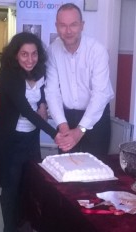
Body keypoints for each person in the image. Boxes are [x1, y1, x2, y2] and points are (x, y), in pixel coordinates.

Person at [0, 32, 64, 232]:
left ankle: (25, 227)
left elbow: (42, 98)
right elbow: (25, 110)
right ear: (15, 56)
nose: (30, 59)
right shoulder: (9, 76)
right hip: (10, 142)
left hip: (30, 140)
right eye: (24, 54)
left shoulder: (40, 72)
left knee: (29, 184)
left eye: (34, 54)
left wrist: (44, 104)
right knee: (10, 190)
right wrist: (55, 133)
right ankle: (10, 230)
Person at [45, 3, 114, 157]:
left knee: (95, 170)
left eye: (73, 25)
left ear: (82, 26)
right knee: (66, 169)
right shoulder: (52, 51)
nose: (68, 31)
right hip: (66, 118)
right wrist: (63, 127)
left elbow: (100, 94)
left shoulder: (97, 51)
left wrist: (80, 130)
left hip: (96, 117)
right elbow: (52, 92)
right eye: (63, 25)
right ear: (56, 26)